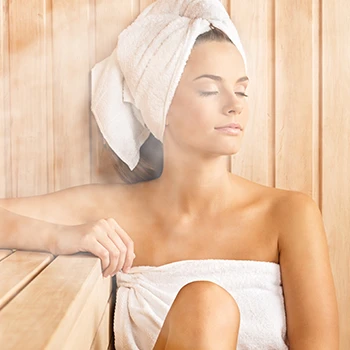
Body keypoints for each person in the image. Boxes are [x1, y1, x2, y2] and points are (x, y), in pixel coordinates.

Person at [0, 1, 338, 349]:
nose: (234, 104)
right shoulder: (114, 212)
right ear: (161, 105)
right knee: (206, 305)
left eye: (241, 90)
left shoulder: (289, 214)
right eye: (209, 89)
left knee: (208, 304)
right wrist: (58, 236)